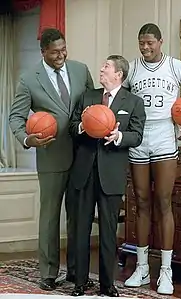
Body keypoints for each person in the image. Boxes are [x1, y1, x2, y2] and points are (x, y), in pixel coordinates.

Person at [123, 23, 181, 295]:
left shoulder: (176, 67)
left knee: (163, 201)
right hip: (139, 137)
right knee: (140, 202)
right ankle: (141, 267)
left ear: (160, 42)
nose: (146, 47)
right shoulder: (132, 70)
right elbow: (118, 101)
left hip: (164, 135)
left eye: (150, 42)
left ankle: (165, 270)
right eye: (141, 43)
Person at [9, 28, 94, 291]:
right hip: (50, 156)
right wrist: (27, 139)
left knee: (78, 216)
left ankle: (77, 271)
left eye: (64, 49)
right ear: (43, 51)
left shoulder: (81, 70)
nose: (61, 55)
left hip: (82, 155)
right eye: (55, 52)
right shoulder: (28, 79)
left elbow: (92, 106)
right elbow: (16, 117)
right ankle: (48, 272)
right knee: (49, 217)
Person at [68, 55, 146, 297]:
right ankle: (79, 283)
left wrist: (119, 137)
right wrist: (84, 125)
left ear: (118, 74)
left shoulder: (133, 102)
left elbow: (137, 134)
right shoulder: (88, 96)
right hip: (84, 173)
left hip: (111, 174)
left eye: (107, 67)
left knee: (108, 231)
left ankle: (107, 285)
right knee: (80, 229)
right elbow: (71, 126)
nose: (101, 70)